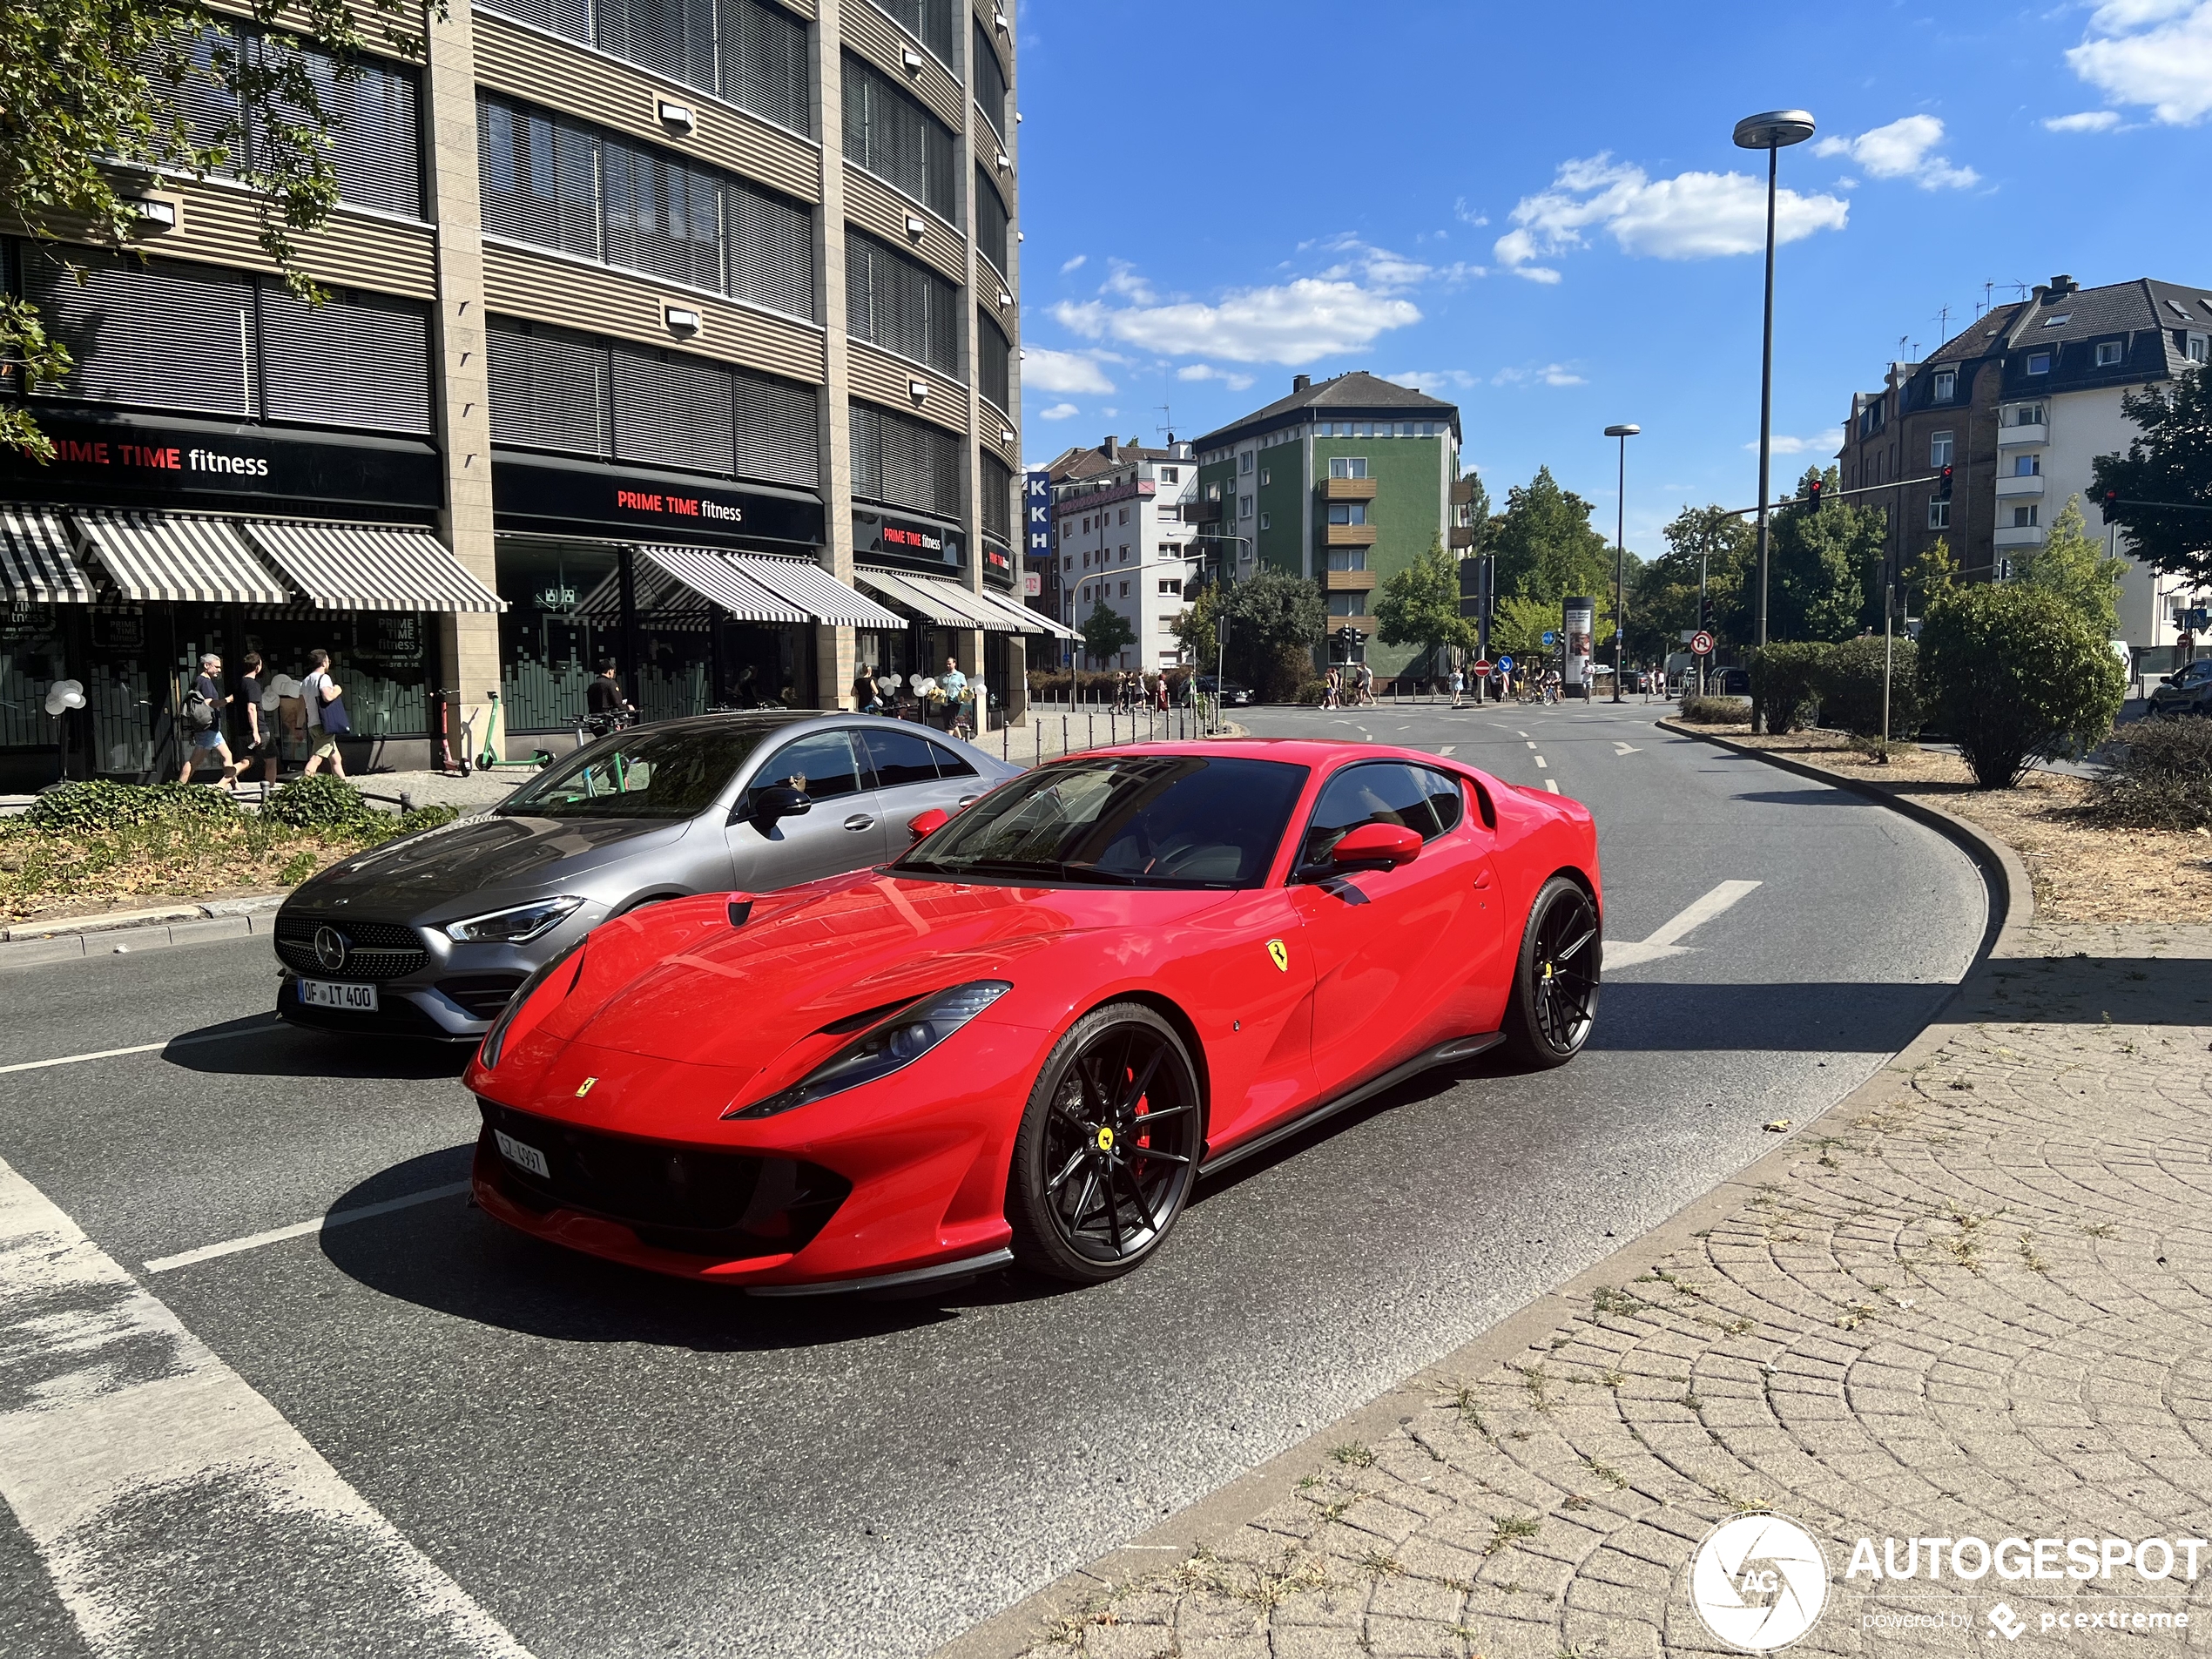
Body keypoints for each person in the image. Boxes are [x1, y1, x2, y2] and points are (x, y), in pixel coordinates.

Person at [177, 651, 241, 788]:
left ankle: (235, 785)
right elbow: (210, 703)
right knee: (195, 761)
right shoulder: (205, 682)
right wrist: (227, 700)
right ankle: (179, 787)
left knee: (227, 755)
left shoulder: (199, 681)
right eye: (216, 667)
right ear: (206, 665)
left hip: (212, 727)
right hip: (208, 728)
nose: (219, 670)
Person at [300, 648, 348, 778]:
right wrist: (338, 689)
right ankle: (304, 787)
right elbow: (328, 696)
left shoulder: (305, 681)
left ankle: (343, 787)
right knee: (316, 759)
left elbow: (301, 705)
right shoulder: (324, 678)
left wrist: (300, 726)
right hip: (324, 725)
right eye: (328, 660)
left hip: (313, 724)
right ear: (324, 662)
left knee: (336, 759)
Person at [236, 651, 276, 785]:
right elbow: (251, 708)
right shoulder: (253, 685)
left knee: (247, 760)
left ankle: (226, 777)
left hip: (242, 729)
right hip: (258, 728)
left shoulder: (240, 684)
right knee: (271, 759)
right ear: (258, 667)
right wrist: (256, 731)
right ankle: (269, 789)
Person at [938, 657, 968, 734]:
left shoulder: (960, 676)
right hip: (944, 701)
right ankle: (960, 738)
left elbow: (964, 687)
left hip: (955, 701)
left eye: (950, 664)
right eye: (947, 664)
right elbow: (938, 686)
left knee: (950, 721)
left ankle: (948, 740)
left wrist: (962, 693)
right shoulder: (942, 676)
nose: (948, 666)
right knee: (949, 720)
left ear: (954, 664)